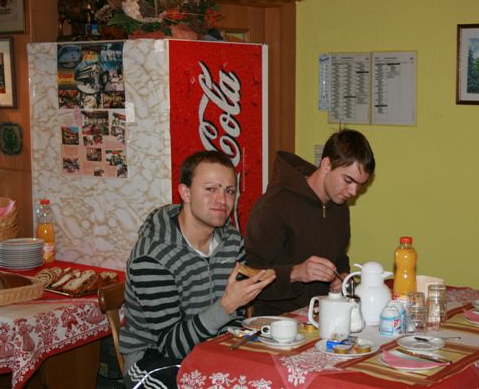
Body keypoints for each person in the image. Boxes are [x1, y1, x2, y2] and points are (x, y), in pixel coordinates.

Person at [120, 150, 275, 389]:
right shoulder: (152, 257)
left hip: (211, 351)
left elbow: (235, 320)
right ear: (185, 193)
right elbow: (170, 346)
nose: (222, 200)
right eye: (211, 189)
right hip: (152, 362)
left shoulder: (232, 241)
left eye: (229, 191)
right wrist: (226, 306)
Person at [244, 129, 375, 316]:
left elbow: (339, 256)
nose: (353, 192)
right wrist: (295, 273)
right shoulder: (274, 205)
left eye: (360, 185)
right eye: (348, 180)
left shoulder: (339, 205)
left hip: (322, 315)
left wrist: (343, 277)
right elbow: (249, 276)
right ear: (327, 165)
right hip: (276, 320)